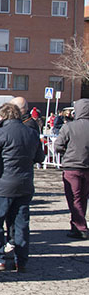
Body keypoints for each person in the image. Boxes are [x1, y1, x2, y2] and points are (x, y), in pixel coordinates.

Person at [0, 103, 44, 272]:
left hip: (3, 183)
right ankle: (21, 260)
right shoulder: (32, 133)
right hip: (25, 183)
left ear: (2, 117)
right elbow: (40, 157)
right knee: (21, 222)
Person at [54, 99, 89, 239]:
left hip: (72, 166)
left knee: (74, 198)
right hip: (87, 166)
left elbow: (58, 146)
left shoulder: (69, 127)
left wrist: (67, 153)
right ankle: (76, 225)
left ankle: (80, 227)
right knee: (82, 197)